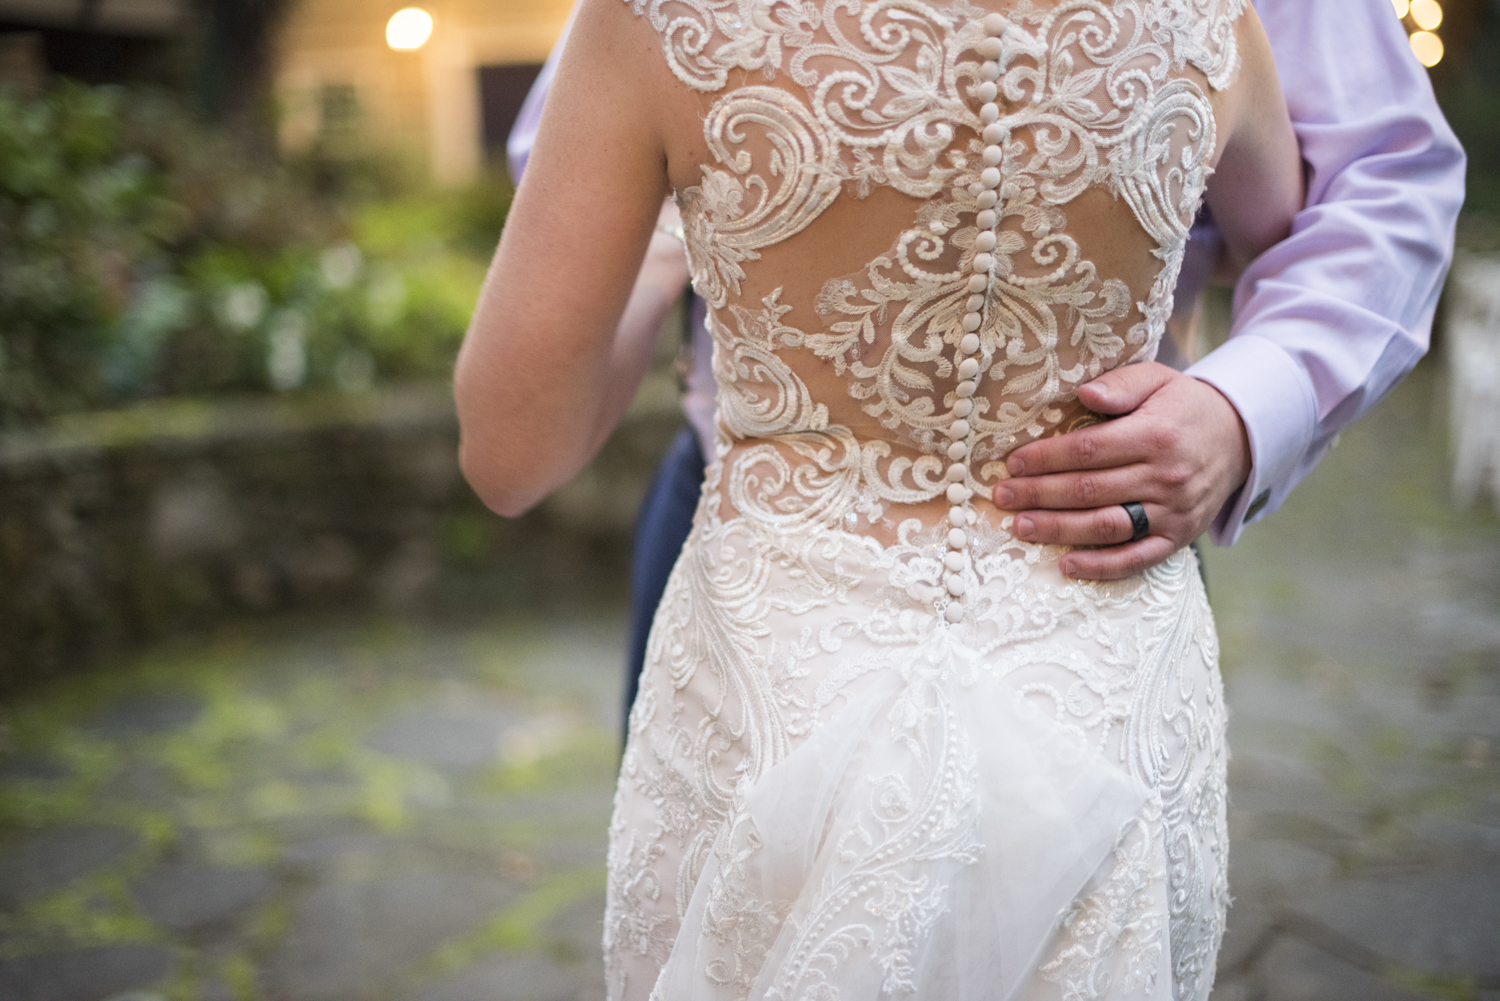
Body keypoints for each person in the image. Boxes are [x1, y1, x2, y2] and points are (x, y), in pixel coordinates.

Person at [453, 4, 1420, 1001]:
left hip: (785, 649)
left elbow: (511, 450)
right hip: (1094, 640)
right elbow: (1300, 222)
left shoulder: (657, 22)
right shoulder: (1216, 23)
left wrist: (676, 218)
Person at [506, 0, 1465, 744]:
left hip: (1098, 519)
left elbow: (1382, 175)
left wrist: (1244, 406)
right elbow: (577, 133)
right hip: (746, 518)